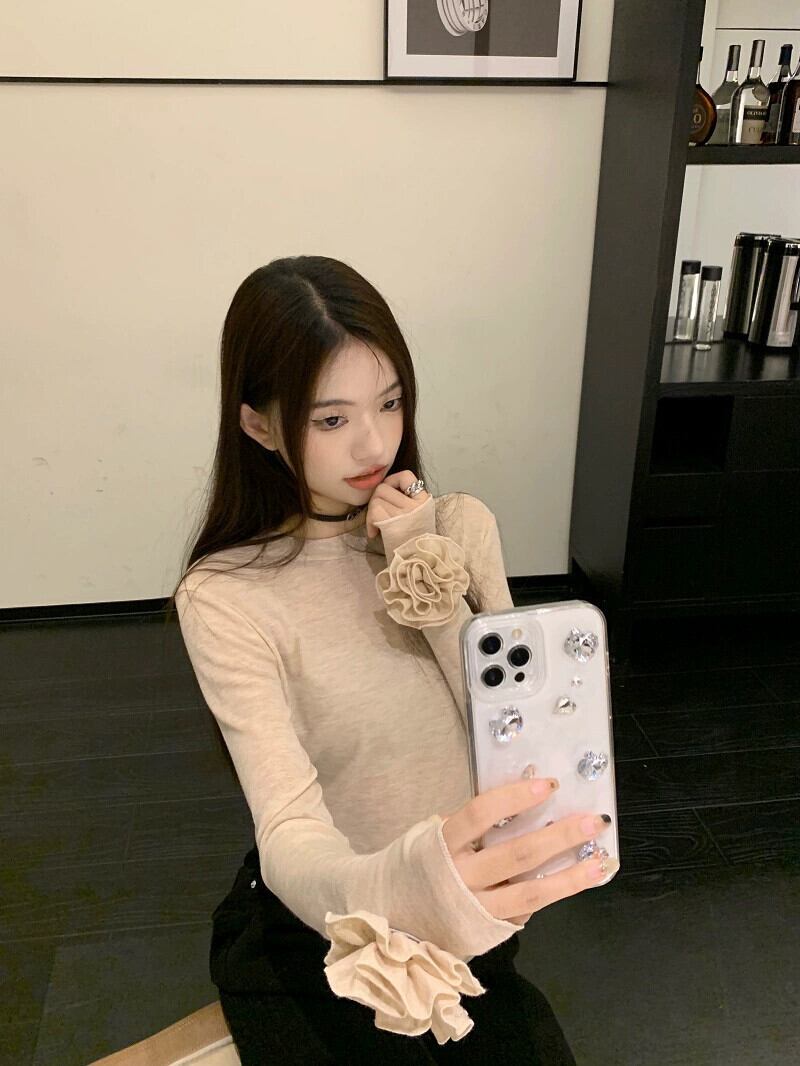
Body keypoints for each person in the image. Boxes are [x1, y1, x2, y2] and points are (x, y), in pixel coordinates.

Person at [166, 256, 614, 1064]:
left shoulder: (460, 528)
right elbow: (288, 827)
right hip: (326, 931)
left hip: (469, 918)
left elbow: (508, 732)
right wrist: (403, 886)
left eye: (390, 402)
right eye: (330, 419)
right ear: (260, 426)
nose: (374, 443)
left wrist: (418, 559)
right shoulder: (225, 596)